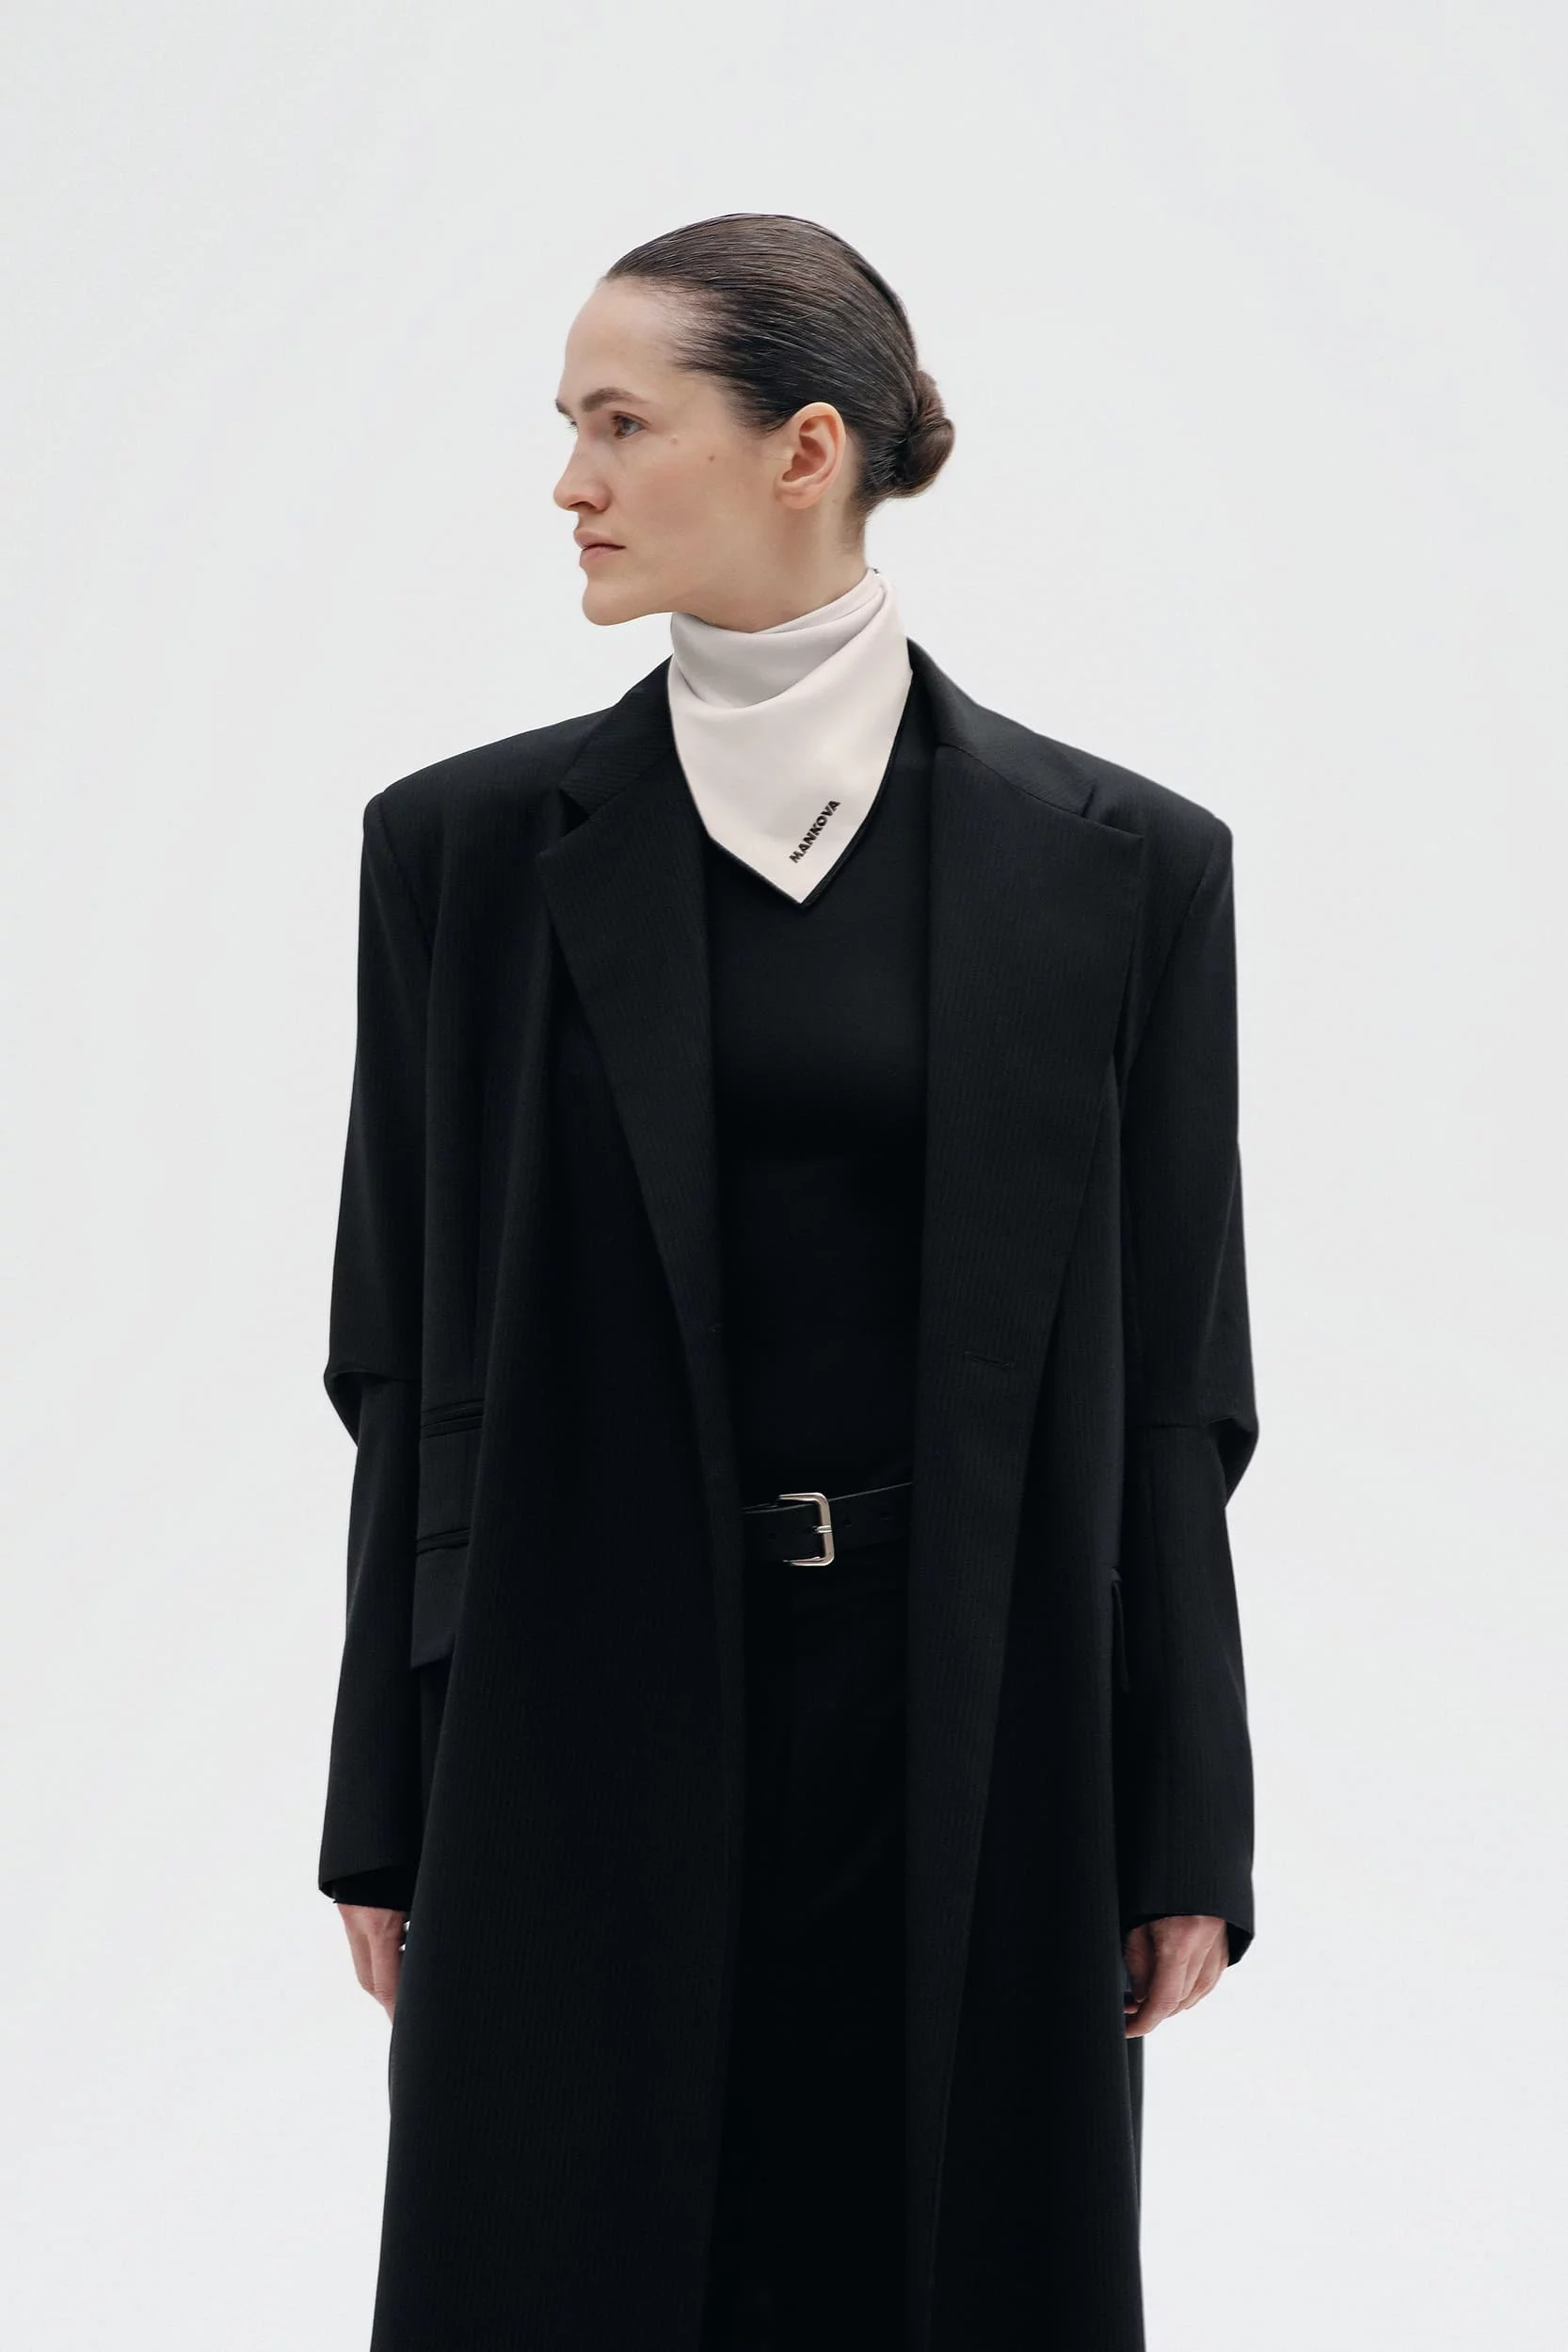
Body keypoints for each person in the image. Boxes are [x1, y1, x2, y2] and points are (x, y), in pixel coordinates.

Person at [318, 212, 1259, 2352]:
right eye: (570, 426)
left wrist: (1181, 1815)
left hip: (974, 1714)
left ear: (802, 448)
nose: (567, 479)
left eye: (618, 423)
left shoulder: (1124, 871)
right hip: (564, 1702)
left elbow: (1178, 1386)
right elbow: (397, 1360)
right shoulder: (459, 856)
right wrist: (382, 1797)